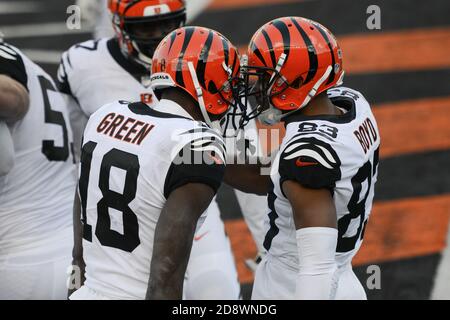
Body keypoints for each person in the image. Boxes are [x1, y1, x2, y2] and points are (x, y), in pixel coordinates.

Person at [58, 0, 266, 299]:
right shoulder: (195, 144)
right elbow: (164, 276)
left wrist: (77, 265)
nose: (158, 35)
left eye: (167, 24)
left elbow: (85, 174)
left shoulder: (105, 114)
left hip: (105, 254)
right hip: (151, 245)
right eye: (146, 27)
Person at [227, 17, 380, 299]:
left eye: (264, 79)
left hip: (298, 284)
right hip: (344, 278)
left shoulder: (306, 156)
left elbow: (317, 268)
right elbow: (272, 174)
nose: (257, 89)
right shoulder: (353, 105)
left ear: (294, 82)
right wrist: (203, 159)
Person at [0, 41, 77, 299]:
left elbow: (14, 99)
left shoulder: (10, 64)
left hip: (18, 260)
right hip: (72, 248)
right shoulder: (36, 69)